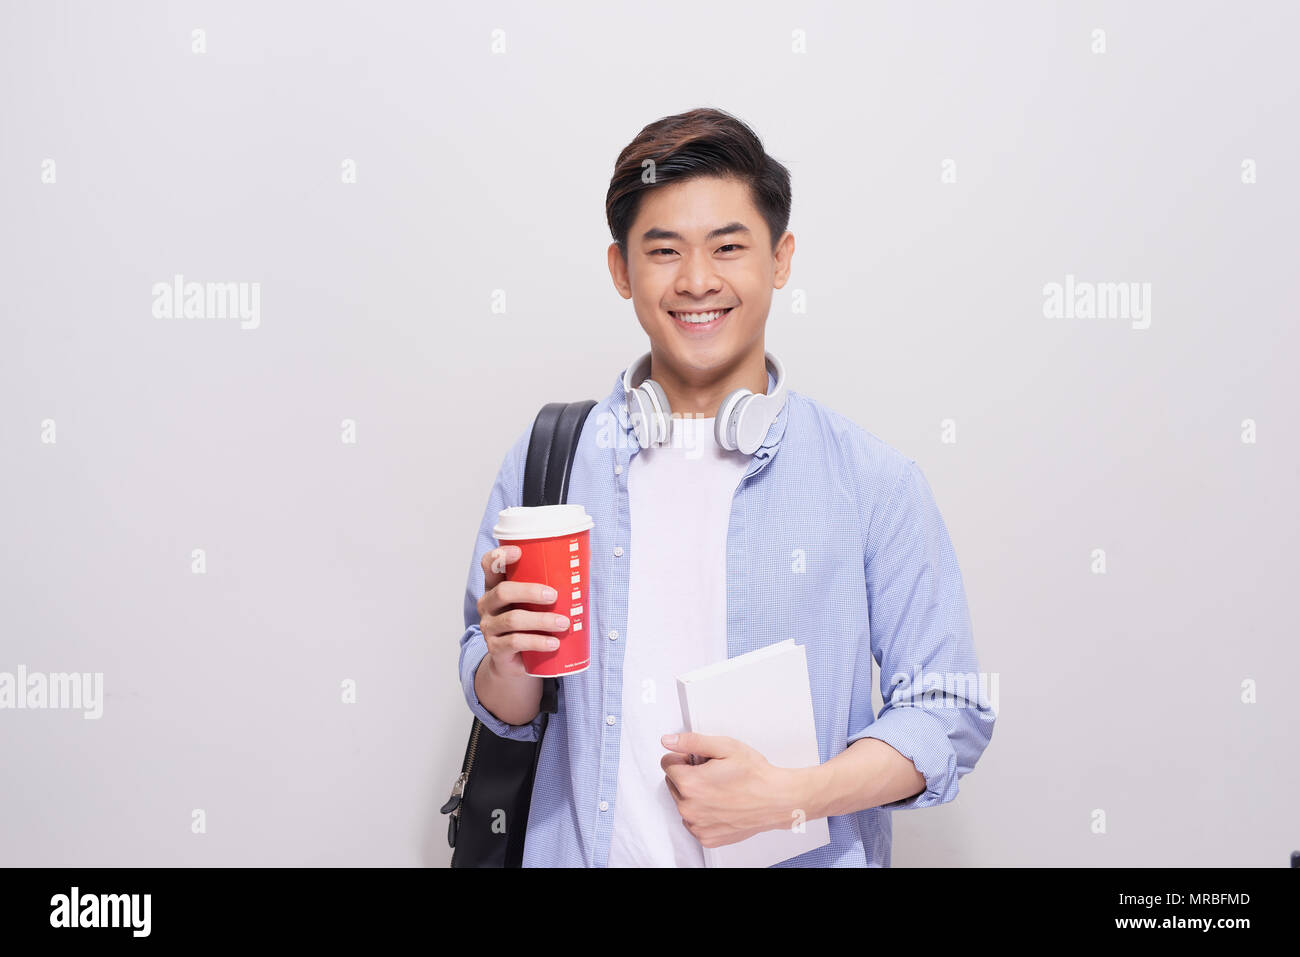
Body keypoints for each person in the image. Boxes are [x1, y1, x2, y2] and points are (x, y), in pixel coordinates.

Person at [458, 107, 996, 867]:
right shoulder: (549, 461)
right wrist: (507, 660)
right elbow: (507, 712)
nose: (698, 281)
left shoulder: (873, 480)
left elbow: (948, 708)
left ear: (781, 259)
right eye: (665, 250)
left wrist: (793, 794)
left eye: (729, 247)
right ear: (621, 270)